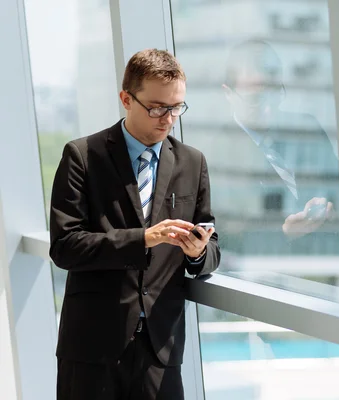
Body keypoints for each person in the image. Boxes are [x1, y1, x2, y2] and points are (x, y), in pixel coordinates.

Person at [49, 49, 220, 400]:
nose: (168, 118)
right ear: (126, 98)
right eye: (157, 107)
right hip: (92, 348)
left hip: (161, 349)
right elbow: (65, 246)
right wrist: (143, 239)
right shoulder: (82, 156)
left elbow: (212, 249)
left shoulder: (192, 162)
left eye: (177, 108)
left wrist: (198, 253)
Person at [221, 39, 339, 254]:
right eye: (256, 98)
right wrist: (284, 234)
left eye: (274, 92)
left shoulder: (307, 129)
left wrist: (332, 210)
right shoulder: (216, 156)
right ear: (228, 94)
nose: (269, 109)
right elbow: (226, 241)